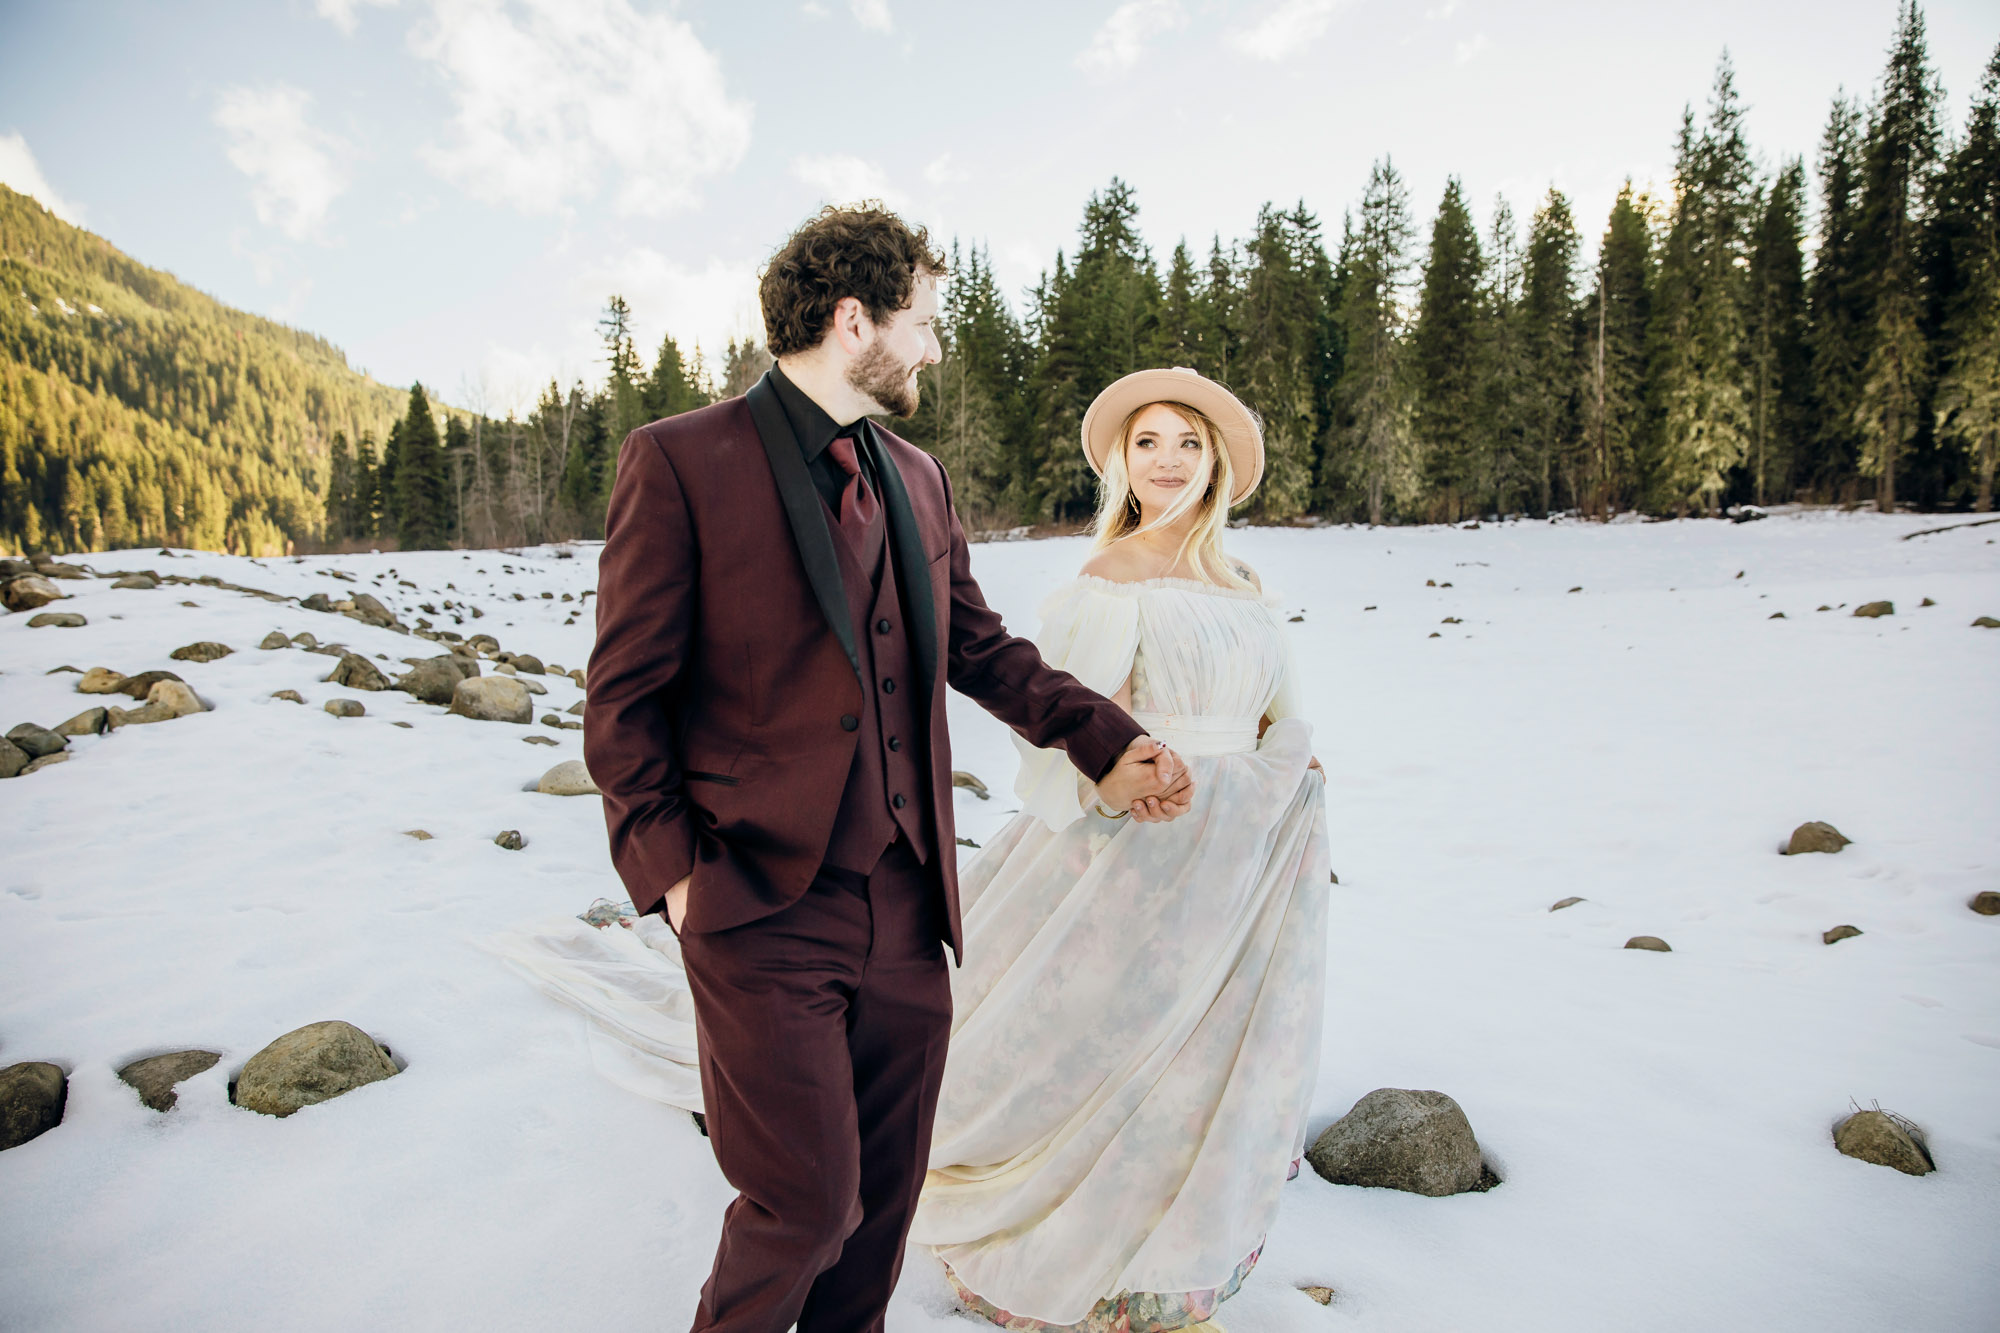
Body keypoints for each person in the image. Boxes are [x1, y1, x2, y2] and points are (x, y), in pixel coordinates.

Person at [581, 205, 1196, 1333]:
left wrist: (1104, 741)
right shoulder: (679, 460)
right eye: (921, 321)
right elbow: (622, 699)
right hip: (756, 900)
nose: (933, 347)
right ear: (850, 317)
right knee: (802, 1206)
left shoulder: (917, 477)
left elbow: (977, 647)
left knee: (876, 1219)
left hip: (909, 906)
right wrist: (676, 880)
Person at [909, 368, 1332, 1332]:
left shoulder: (1250, 587)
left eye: (1188, 440)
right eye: (1148, 442)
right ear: (1122, 464)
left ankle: (1173, 1249)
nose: (1170, 460)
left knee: (1201, 1056)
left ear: (1216, 458)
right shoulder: (1107, 581)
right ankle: (1071, 1242)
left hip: (1245, 852)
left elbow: (1281, 712)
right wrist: (1120, 777)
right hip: (1144, 842)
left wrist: (1291, 774)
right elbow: (1058, 729)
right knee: (1103, 1043)